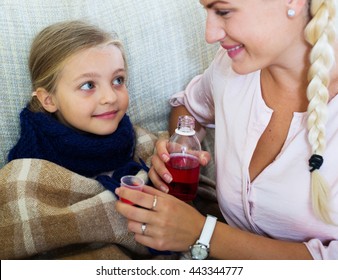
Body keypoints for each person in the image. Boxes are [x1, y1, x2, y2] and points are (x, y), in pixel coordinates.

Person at [115, 0, 338, 259]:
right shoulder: (232, 67)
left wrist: (203, 234)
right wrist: (180, 145)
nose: (210, 35)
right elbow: (189, 108)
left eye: (223, 11)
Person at [8, 20, 147, 192]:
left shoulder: (135, 140)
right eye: (88, 85)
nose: (110, 97)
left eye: (118, 80)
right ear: (49, 100)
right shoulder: (32, 165)